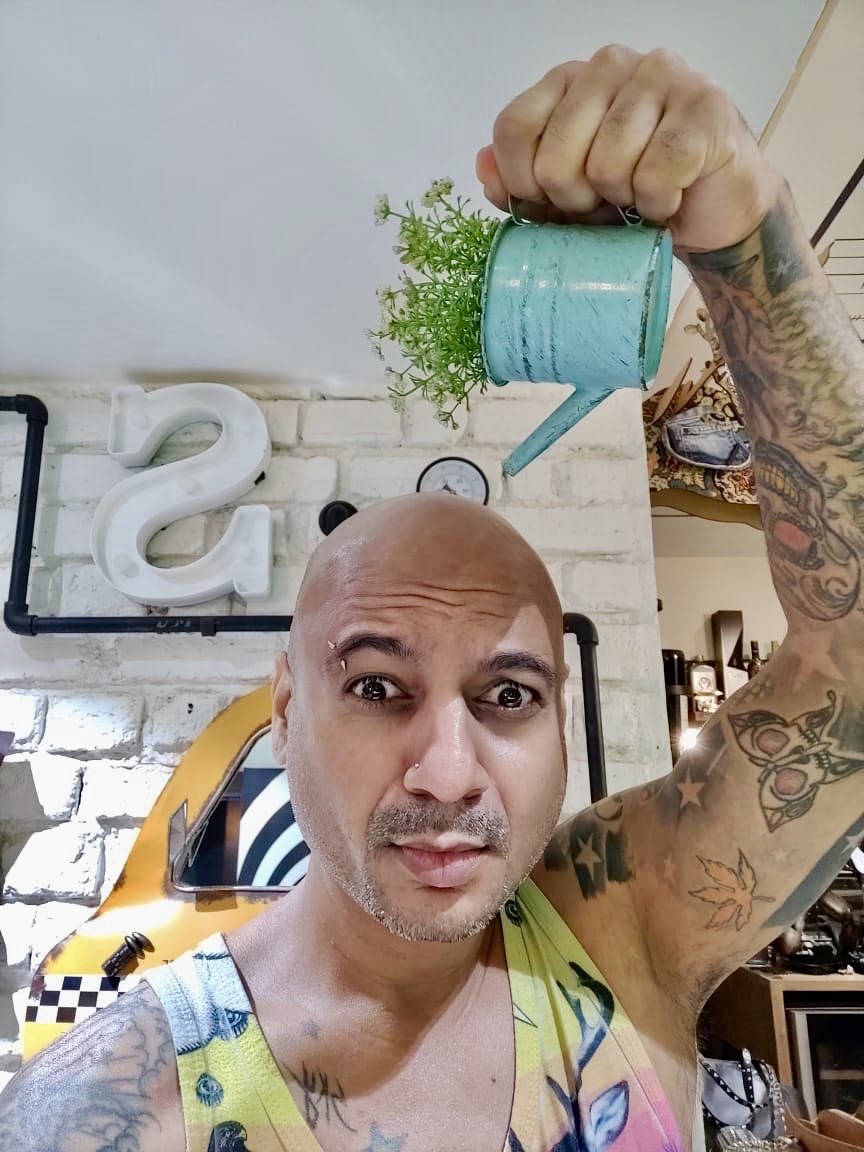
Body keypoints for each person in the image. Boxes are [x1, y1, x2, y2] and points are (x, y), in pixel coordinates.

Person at [2, 44, 863, 1152]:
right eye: (376, 685)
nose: (449, 774)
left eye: (508, 696)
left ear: (562, 719)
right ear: (285, 710)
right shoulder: (119, 1110)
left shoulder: (624, 926)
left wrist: (747, 226)